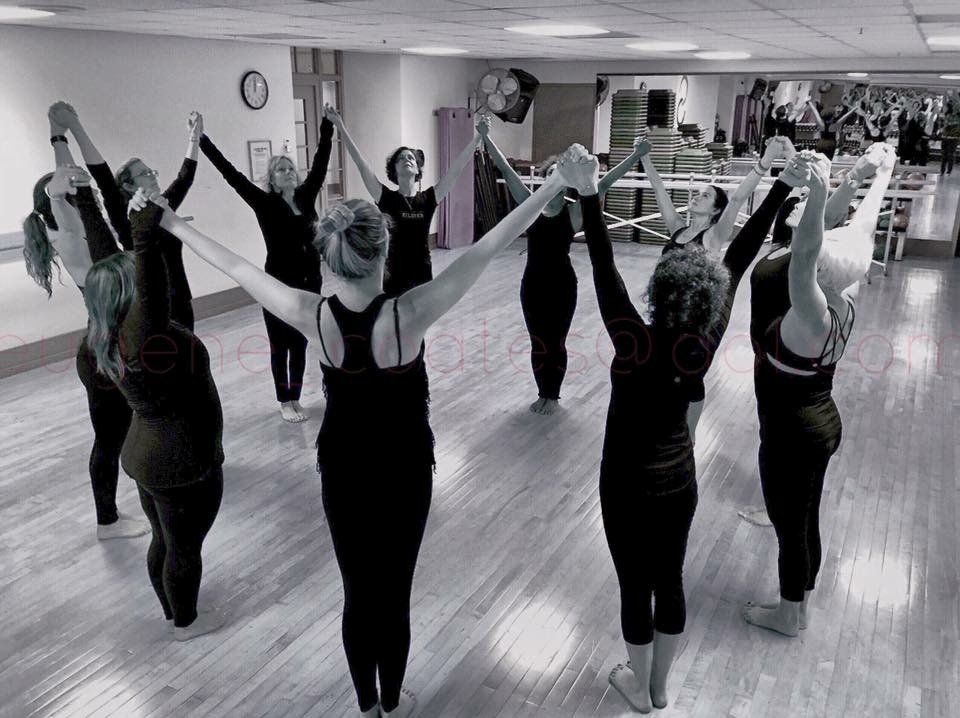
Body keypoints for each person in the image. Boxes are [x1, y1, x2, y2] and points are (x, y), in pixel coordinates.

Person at [149, 148, 573, 717]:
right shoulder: (410, 313)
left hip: (343, 470)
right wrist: (555, 186)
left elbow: (239, 269)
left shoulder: (311, 312)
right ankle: (394, 705)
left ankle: (368, 705)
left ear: (329, 260)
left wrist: (171, 221)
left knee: (358, 594)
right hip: (403, 471)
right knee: (392, 596)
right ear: (385, 252)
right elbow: (489, 245)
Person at [553, 144, 730, 712]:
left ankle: (637, 681)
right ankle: (659, 687)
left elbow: (604, 269)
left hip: (626, 482)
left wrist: (587, 190)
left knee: (635, 585)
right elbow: (742, 255)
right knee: (670, 579)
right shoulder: (703, 344)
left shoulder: (635, 341)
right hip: (678, 479)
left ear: (660, 290)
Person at [742, 145, 897, 637]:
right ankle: (801, 600)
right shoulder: (841, 293)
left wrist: (823, 192)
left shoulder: (809, 309)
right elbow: (855, 230)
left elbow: (809, 249)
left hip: (794, 429)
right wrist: (872, 179)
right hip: (814, 418)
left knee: (792, 526)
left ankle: (790, 615)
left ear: (816, 270)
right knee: (804, 516)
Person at [87, 187, 225, 642]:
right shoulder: (149, 339)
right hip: (181, 462)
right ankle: (186, 622)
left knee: (163, 539)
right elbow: (150, 282)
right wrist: (144, 229)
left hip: (148, 456)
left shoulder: (111, 330)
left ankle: (172, 609)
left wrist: (91, 201)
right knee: (181, 547)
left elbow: (105, 260)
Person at [21, 110, 148, 542]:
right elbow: (64, 188)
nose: (83, 189)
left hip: (103, 346)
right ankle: (107, 520)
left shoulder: (68, 230)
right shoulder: (69, 230)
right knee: (110, 438)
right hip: (103, 351)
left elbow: (71, 185)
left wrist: (61, 134)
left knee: (114, 433)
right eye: (75, 189)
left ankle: (111, 515)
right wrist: (60, 174)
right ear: (60, 201)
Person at [480, 121, 647, 414]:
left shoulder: (573, 211)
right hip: (532, 284)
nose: (552, 179)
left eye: (558, 175)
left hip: (562, 285)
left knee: (556, 341)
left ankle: (552, 394)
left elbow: (603, 184)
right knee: (537, 341)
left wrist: (635, 157)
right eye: (549, 175)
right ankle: (541, 391)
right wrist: (485, 138)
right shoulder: (530, 205)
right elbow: (505, 169)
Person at [199, 110, 334, 422]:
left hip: (310, 281)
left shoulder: (305, 196)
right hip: (276, 282)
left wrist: (326, 125)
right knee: (280, 345)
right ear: (271, 178)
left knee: (301, 342)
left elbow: (322, 162)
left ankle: (296, 397)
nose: (287, 172)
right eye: (280, 169)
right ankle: (283, 400)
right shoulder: (264, 202)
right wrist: (203, 141)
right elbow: (230, 174)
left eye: (290, 168)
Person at [48, 101, 200, 327]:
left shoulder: (163, 207)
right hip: (149, 307)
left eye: (151, 171)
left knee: (187, 359)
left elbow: (185, 177)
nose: (153, 176)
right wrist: (75, 129)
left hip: (180, 302)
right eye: (144, 173)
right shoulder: (124, 215)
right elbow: (103, 175)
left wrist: (194, 138)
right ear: (129, 185)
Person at [327, 104, 482, 296]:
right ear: (394, 170)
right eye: (401, 158)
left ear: (417, 170)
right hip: (393, 275)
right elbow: (360, 163)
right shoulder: (386, 198)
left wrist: (478, 137)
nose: (407, 159)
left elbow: (457, 169)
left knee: (420, 324)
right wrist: (340, 126)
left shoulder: (428, 198)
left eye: (411, 158)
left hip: (422, 273)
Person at [640, 135, 785, 255]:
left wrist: (766, 160)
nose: (696, 197)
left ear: (715, 210)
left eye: (705, 196)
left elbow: (736, 200)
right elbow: (659, 189)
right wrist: (644, 156)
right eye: (699, 194)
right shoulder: (677, 228)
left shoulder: (715, 235)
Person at [940, 101, 959, 176]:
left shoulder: (958, 117)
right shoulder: (947, 115)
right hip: (945, 137)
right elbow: (944, 126)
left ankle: (949, 171)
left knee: (950, 155)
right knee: (944, 155)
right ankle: (942, 171)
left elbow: (953, 126)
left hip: (953, 138)